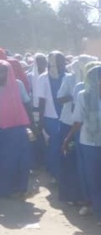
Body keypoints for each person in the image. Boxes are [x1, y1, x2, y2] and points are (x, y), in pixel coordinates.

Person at [64, 66, 101, 227]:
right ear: (96, 79)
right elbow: (78, 120)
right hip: (90, 142)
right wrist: (67, 139)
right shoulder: (83, 96)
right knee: (95, 178)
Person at [0, 60, 33, 198]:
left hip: (17, 128)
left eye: (4, 70)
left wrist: (31, 125)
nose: (1, 73)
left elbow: (26, 103)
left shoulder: (17, 85)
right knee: (4, 160)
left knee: (20, 159)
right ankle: (5, 189)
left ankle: (20, 187)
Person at [35, 51, 70, 179]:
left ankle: (62, 172)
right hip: (52, 117)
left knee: (65, 144)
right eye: (60, 60)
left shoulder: (67, 76)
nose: (63, 63)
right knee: (55, 145)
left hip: (66, 117)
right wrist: (41, 120)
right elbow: (42, 101)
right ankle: (55, 173)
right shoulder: (43, 78)